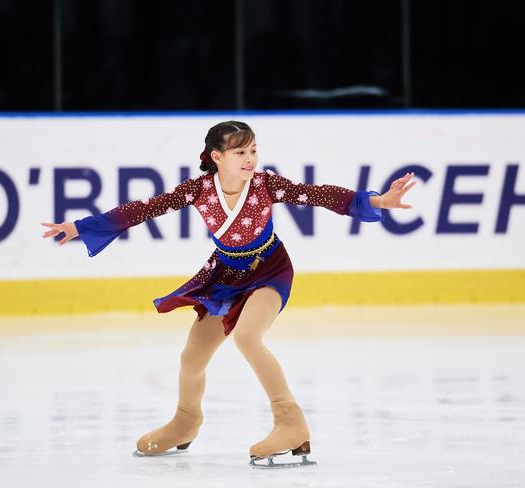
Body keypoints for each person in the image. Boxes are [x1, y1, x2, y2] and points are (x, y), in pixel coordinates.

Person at [41, 121, 416, 467]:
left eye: (253, 150)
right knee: (192, 355)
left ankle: (290, 423)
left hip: (270, 270)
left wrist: (378, 202)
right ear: (217, 157)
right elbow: (143, 209)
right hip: (224, 275)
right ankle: (185, 422)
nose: (250, 159)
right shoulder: (198, 190)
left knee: (248, 336)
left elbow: (318, 195)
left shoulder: (266, 185)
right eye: (240, 153)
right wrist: (81, 226)